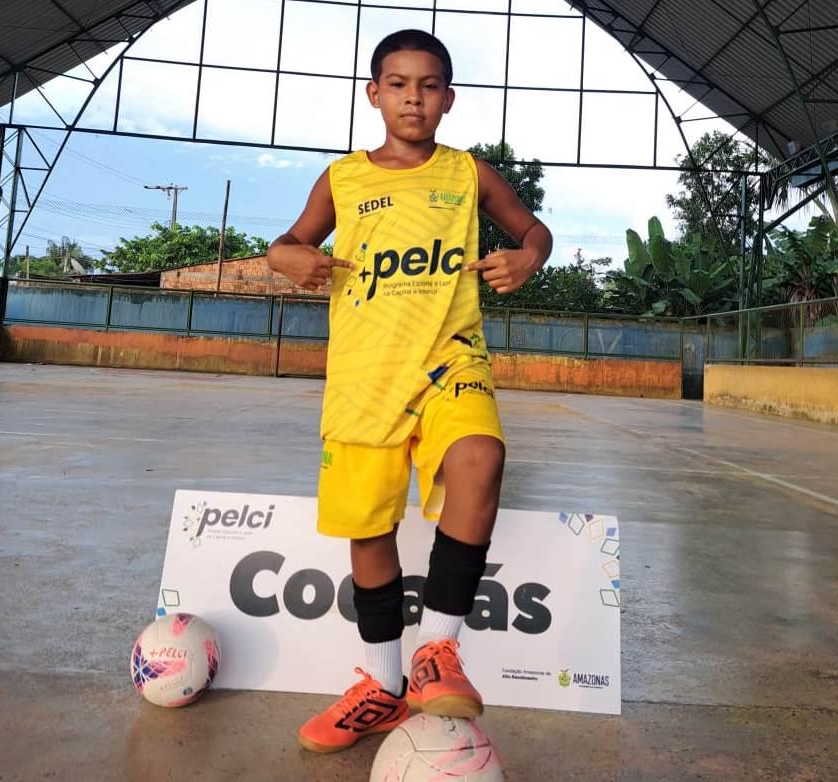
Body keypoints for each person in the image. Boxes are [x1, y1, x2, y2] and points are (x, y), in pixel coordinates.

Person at [267, 28, 552, 754]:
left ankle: (438, 650)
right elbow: (287, 242)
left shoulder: (468, 174)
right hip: (365, 378)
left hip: (449, 360)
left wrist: (526, 258)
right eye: (397, 83)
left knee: (480, 458)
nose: (412, 97)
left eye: (427, 85)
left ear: (448, 99)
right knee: (370, 534)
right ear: (373, 94)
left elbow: (533, 232)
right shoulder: (343, 179)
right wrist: (290, 259)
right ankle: (386, 688)